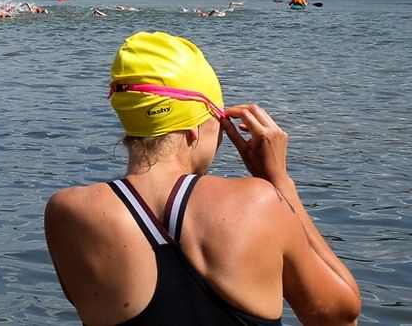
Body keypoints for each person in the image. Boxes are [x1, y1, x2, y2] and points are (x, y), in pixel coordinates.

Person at [44, 31, 360, 326]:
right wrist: (279, 183)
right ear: (194, 128)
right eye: (221, 121)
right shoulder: (258, 203)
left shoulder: (67, 213)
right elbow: (341, 317)